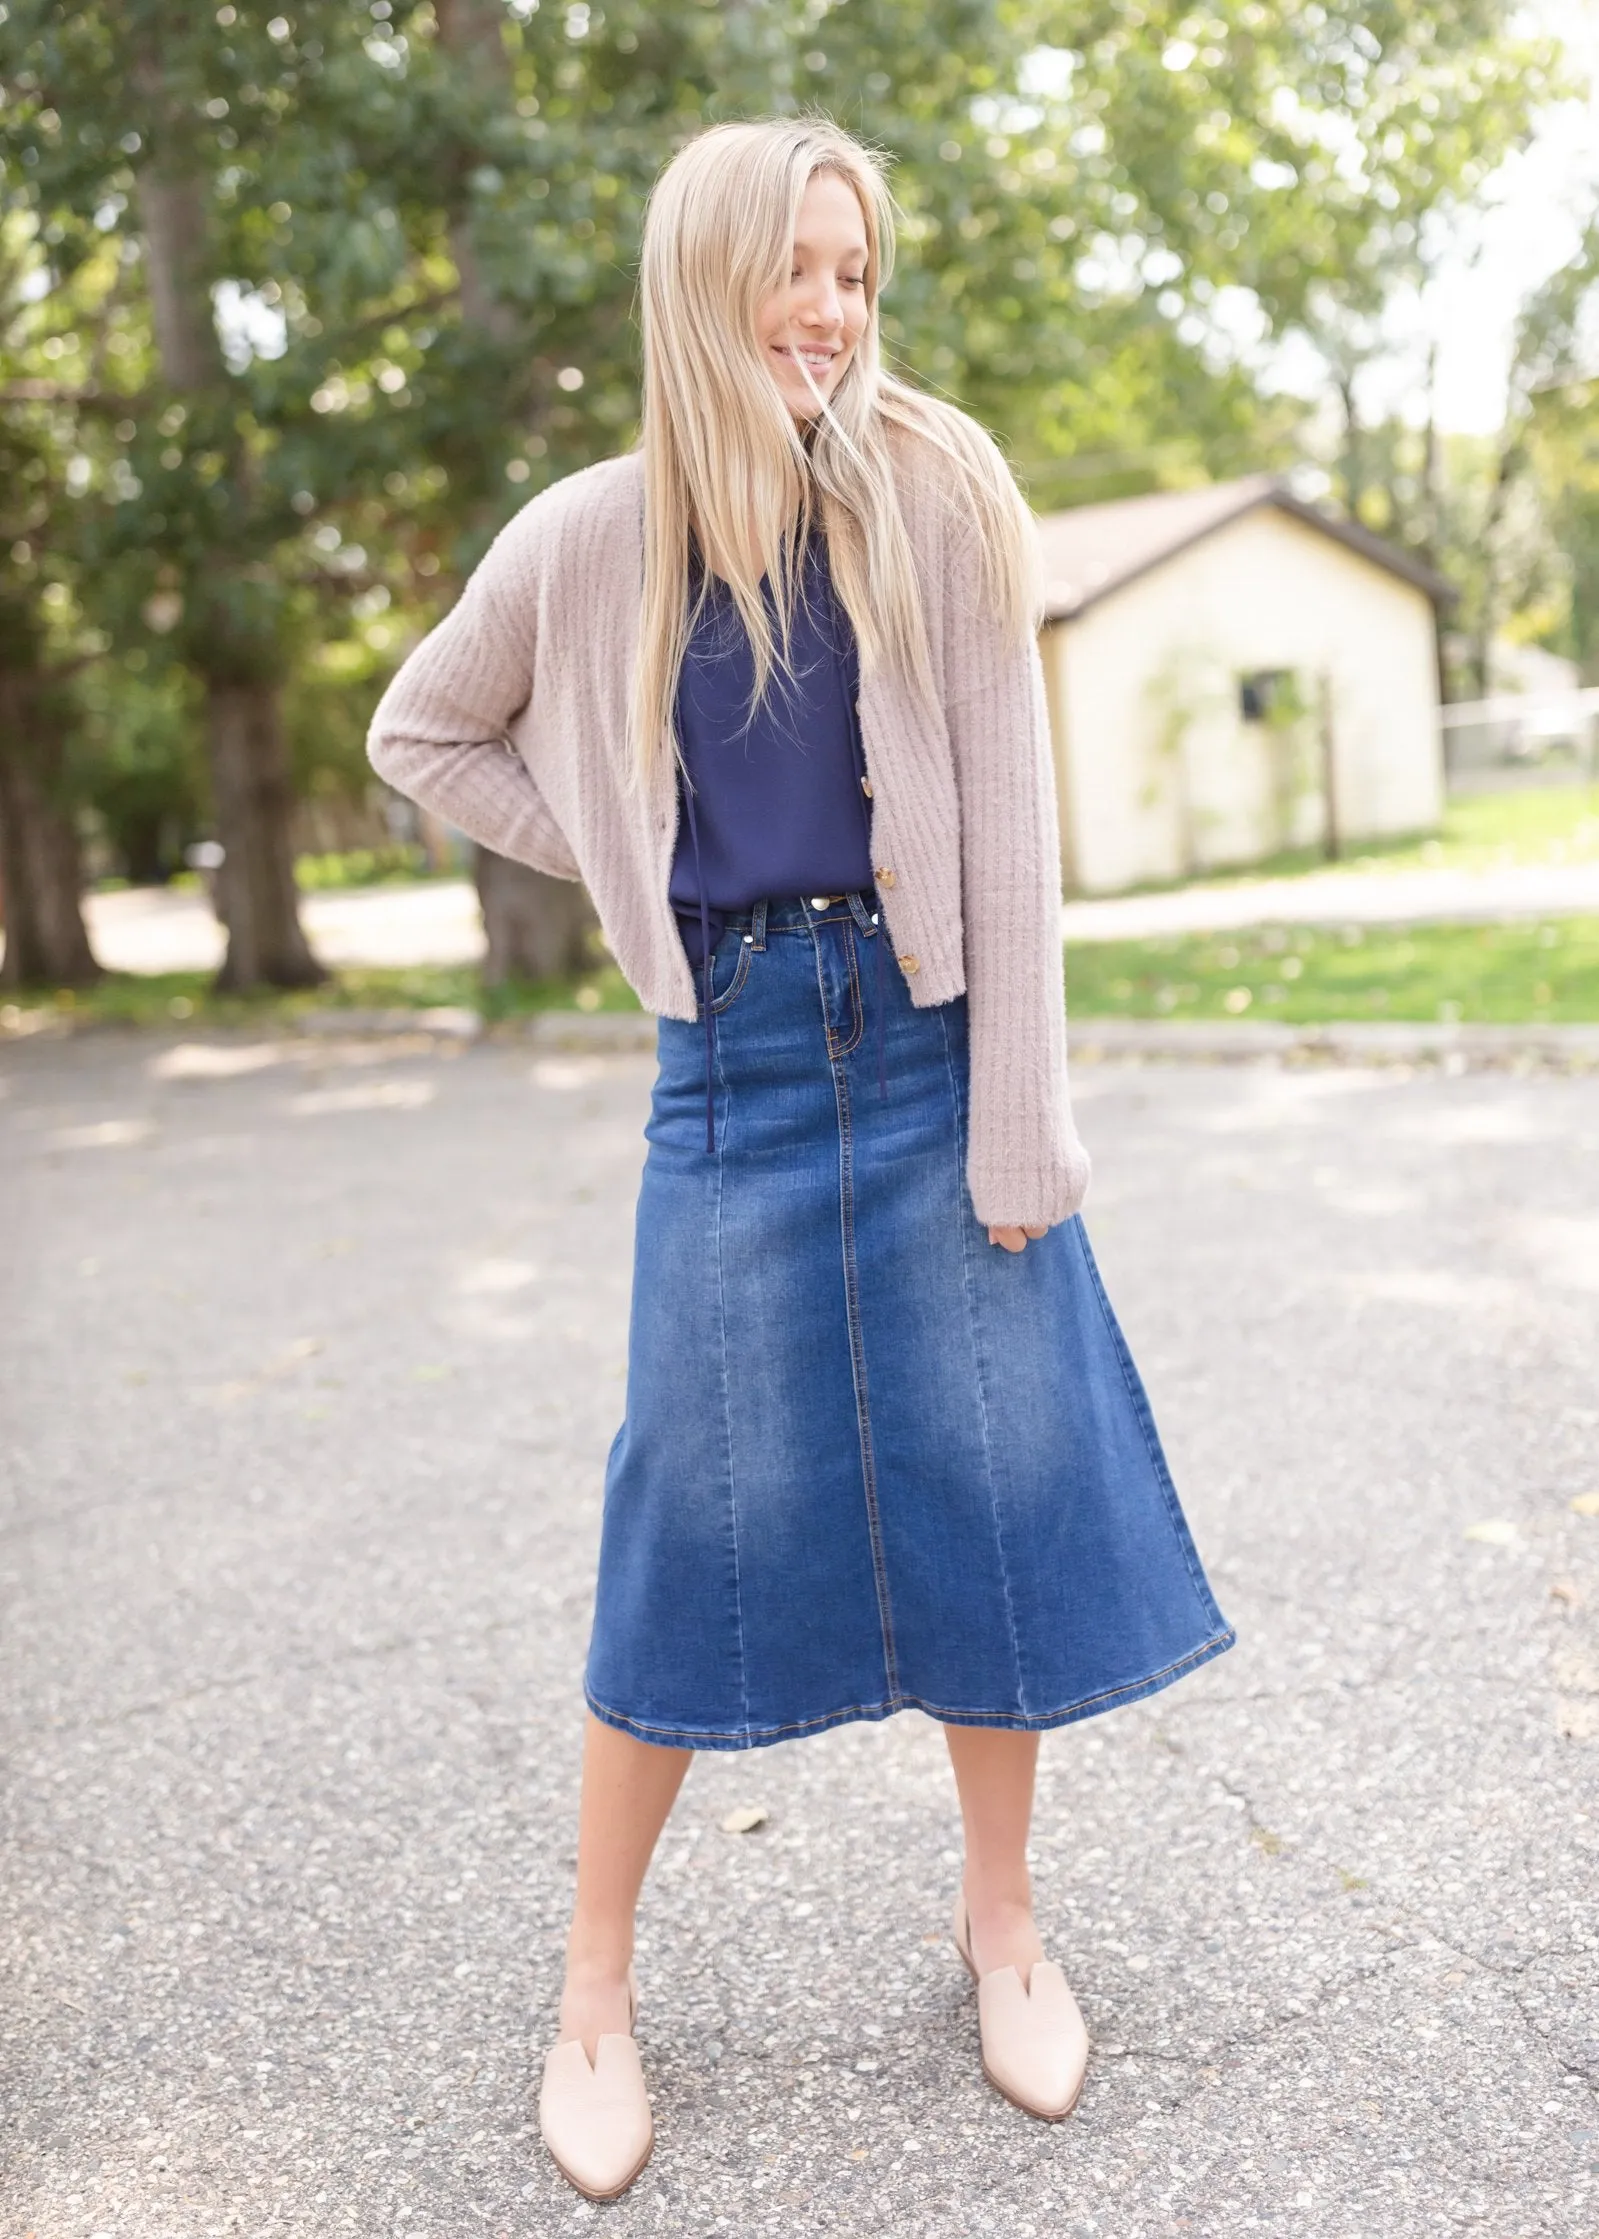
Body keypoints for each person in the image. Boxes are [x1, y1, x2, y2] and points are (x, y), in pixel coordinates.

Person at [366, 115, 1233, 2202]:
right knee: (687, 1506)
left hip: (929, 1053)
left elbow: (1009, 827)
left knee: (1000, 1480)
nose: (834, 307)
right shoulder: (584, 536)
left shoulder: (937, 488)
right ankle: (594, 1991)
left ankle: (999, 1926)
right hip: (732, 1073)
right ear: (705, 278)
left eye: (857, 271)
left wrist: (1025, 1114)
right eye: (799, 267)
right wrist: (632, 856)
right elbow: (424, 732)